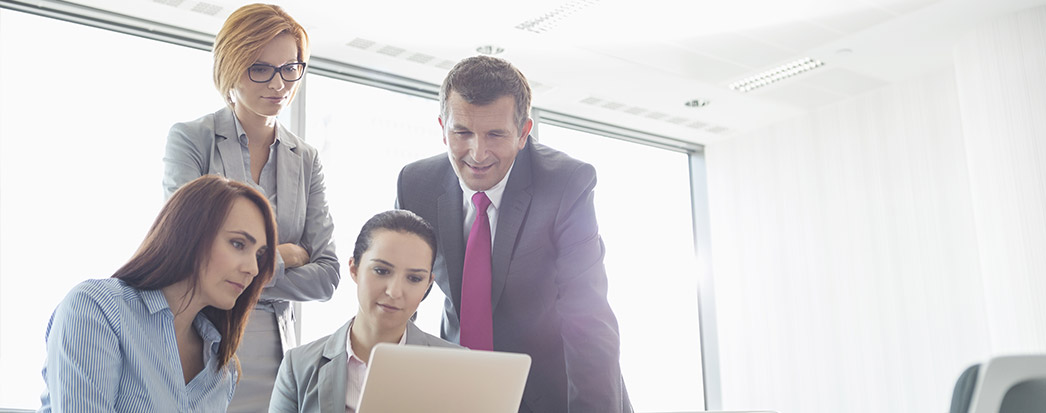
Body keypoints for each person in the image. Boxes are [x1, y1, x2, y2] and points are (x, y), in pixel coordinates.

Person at [395, 55, 632, 412]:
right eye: (462, 132)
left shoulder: (566, 184)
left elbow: (588, 321)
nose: (477, 153)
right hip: (459, 387)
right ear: (442, 126)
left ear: (523, 133)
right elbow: (398, 300)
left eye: (495, 134)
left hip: (555, 391)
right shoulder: (416, 185)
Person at [162, 4, 339, 410]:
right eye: (260, 68)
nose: (279, 83)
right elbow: (191, 253)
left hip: (275, 353)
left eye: (290, 68)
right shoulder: (192, 140)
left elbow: (327, 275)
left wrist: (241, 262)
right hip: (198, 338)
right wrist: (285, 257)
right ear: (231, 67)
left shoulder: (306, 158)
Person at [39, 175, 277, 412]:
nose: (253, 269)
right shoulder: (96, 309)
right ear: (189, 233)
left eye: (258, 255)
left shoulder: (222, 371)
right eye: (238, 244)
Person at [269, 210, 459, 412]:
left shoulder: (456, 366)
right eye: (381, 271)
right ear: (354, 269)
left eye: (414, 278)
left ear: (428, 284)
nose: (394, 292)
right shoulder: (298, 367)